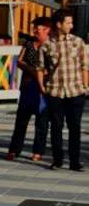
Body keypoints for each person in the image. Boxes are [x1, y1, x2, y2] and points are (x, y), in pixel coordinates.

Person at [37, 9, 86, 172]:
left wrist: (86, 86)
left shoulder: (78, 42)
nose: (71, 26)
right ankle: (57, 159)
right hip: (55, 91)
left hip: (75, 89)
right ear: (59, 24)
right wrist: (42, 87)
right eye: (68, 22)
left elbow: (85, 66)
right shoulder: (46, 45)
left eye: (72, 22)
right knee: (56, 126)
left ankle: (75, 161)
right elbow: (40, 67)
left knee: (75, 127)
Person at [7, 17, 50, 161]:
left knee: (42, 121)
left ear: (46, 29)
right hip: (28, 85)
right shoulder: (29, 43)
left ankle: (38, 151)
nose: (34, 31)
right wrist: (31, 69)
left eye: (37, 28)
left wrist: (42, 73)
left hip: (44, 86)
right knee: (21, 119)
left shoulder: (51, 45)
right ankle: (14, 149)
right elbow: (19, 60)